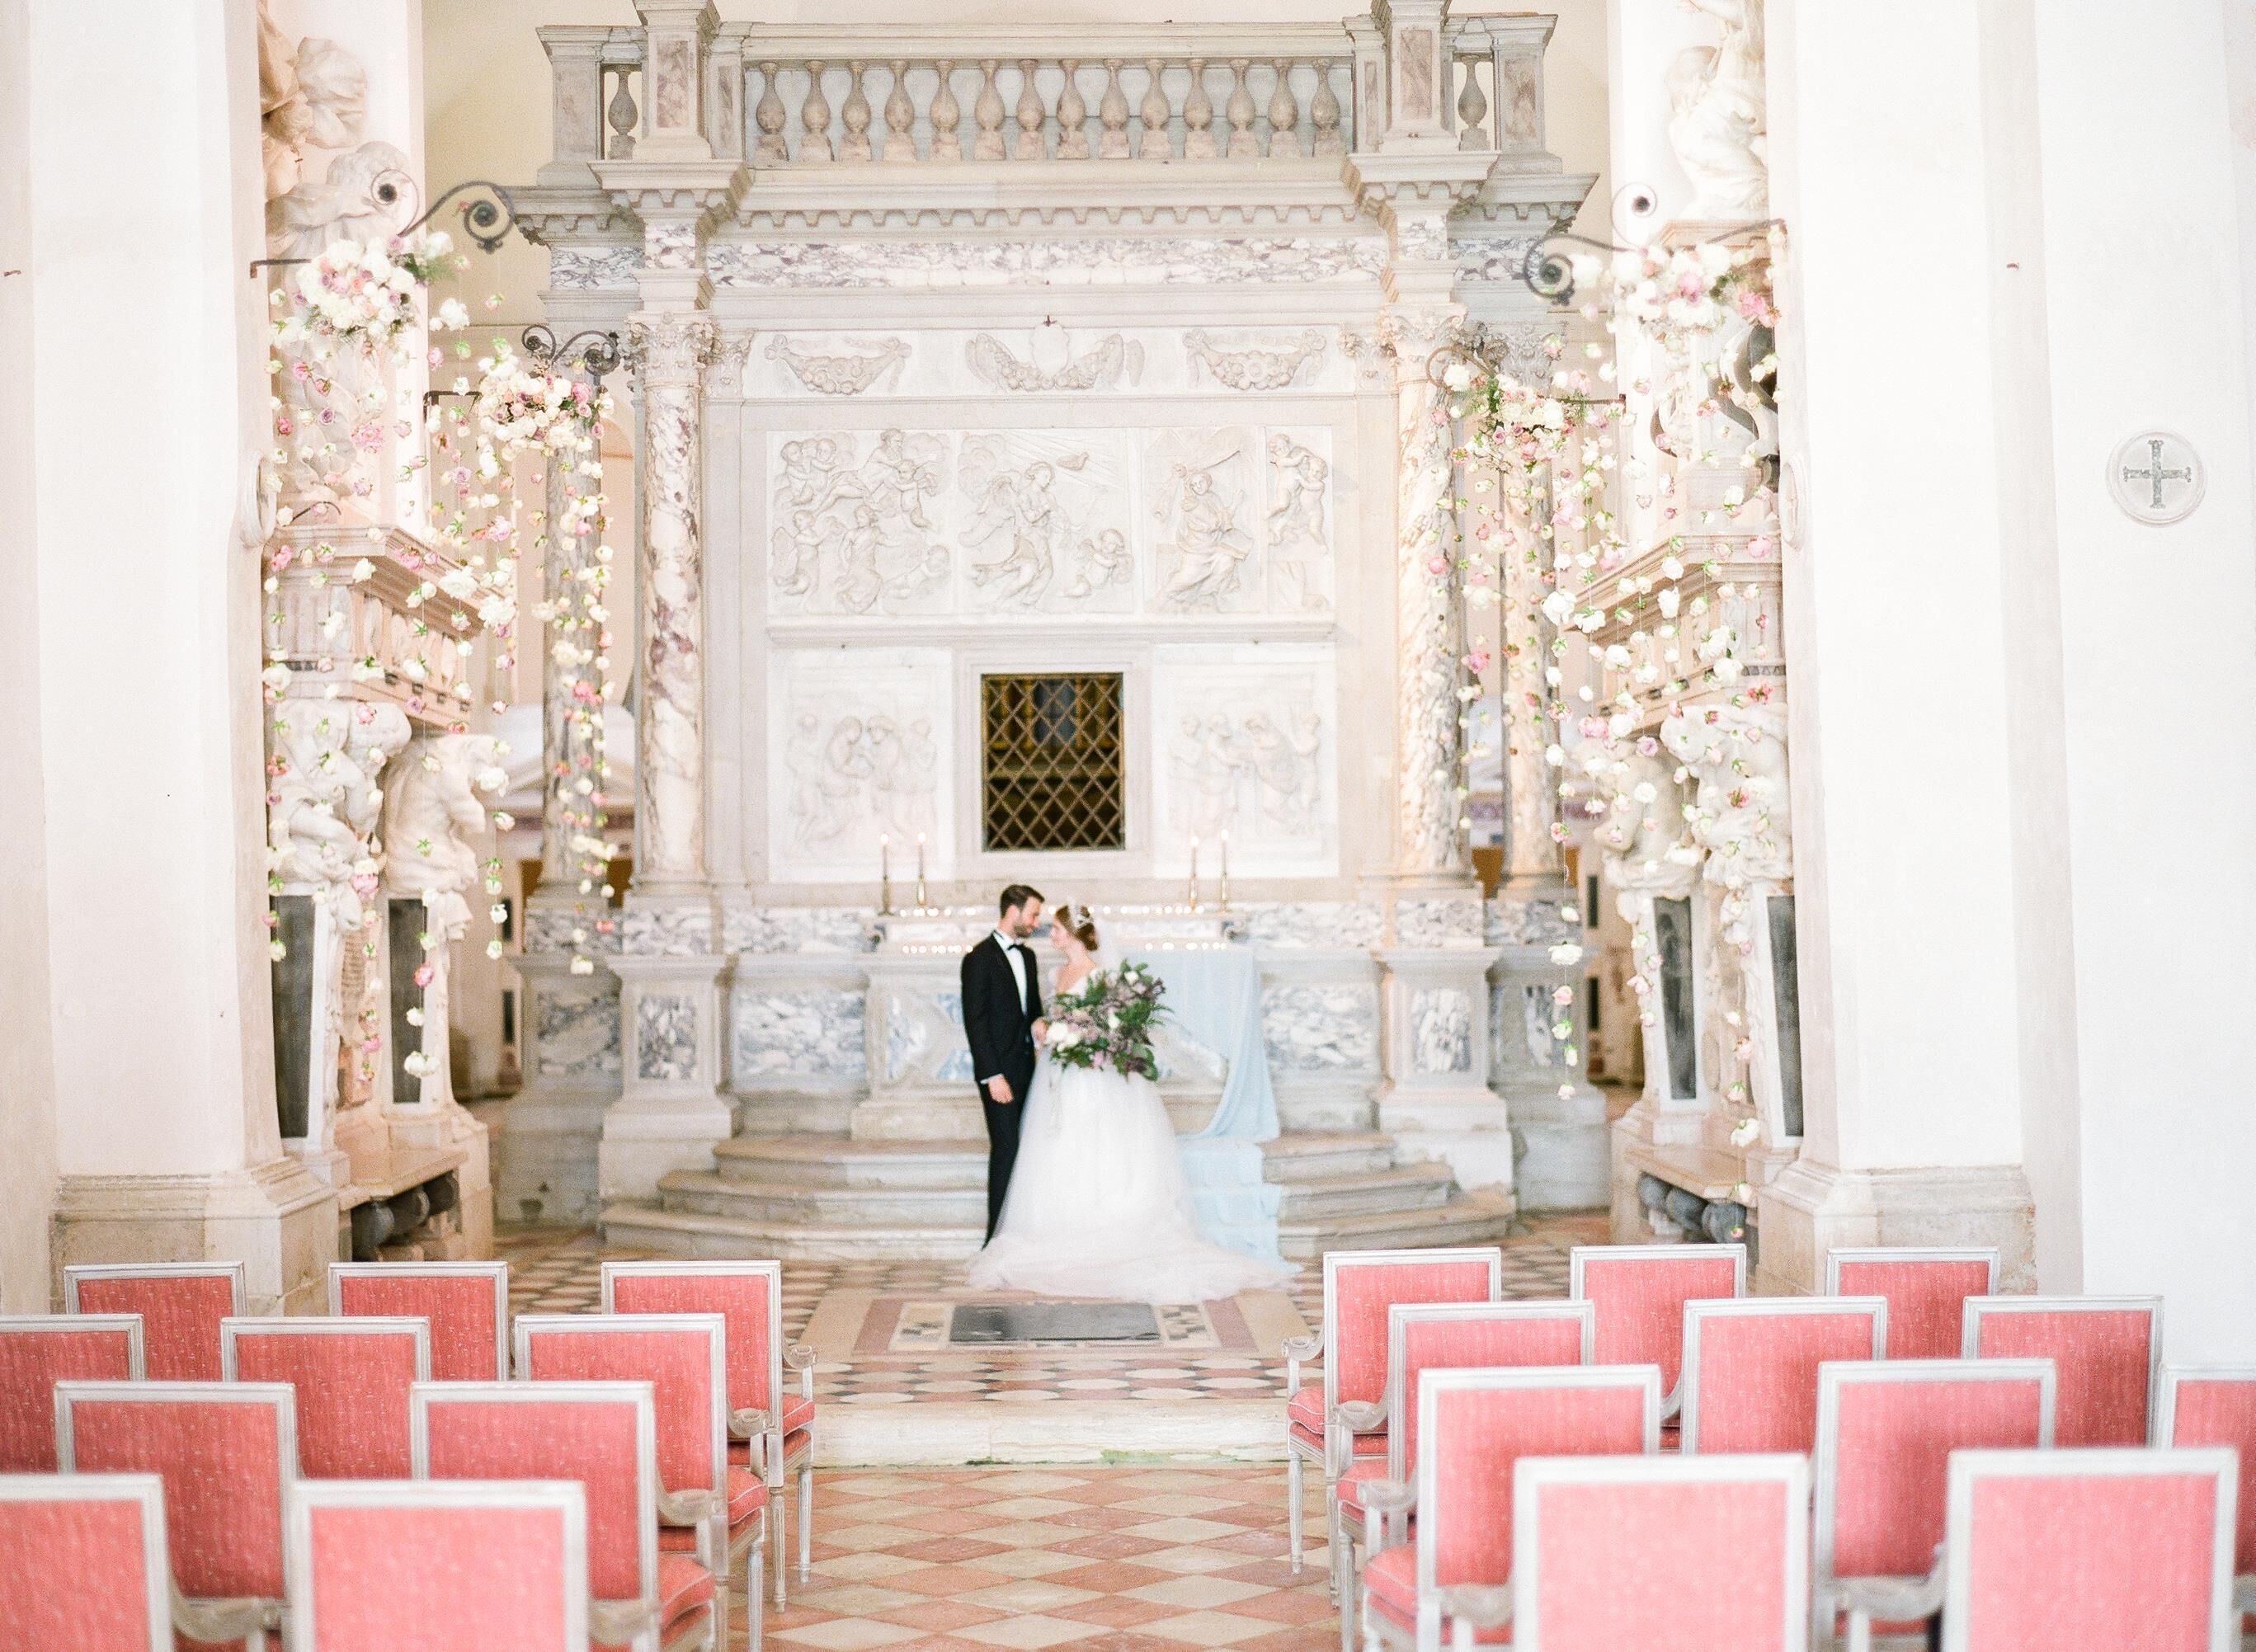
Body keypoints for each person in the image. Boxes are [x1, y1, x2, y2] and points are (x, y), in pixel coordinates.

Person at [967, 903, 1295, 1304]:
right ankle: (1061, 1222)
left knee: (1094, 1144)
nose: (1050, 935)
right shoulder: (1055, 974)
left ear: (1073, 933)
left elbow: (1110, 1029)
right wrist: (1044, 1027)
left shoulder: (1101, 976)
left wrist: (1078, 1038)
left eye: (1056, 929)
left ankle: (1102, 1222)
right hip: (1057, 1075)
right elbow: (1049, 1017)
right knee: (1057, 1145)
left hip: (1091, 1076)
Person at [960, 884, 1046, 1241]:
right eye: (1033, 914)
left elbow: (1033, 1009)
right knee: (1006, 1149)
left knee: (1026, 1150)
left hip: (1028, 1069)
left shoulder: (1028, 957)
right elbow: (975, 1022)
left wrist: (1042, 1026)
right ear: (1013, 911)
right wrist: (992, 1075)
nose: (1036, 922)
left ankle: (1021, 1231)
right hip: (999, 1074)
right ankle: (994, 1238)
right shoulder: (979, 958)